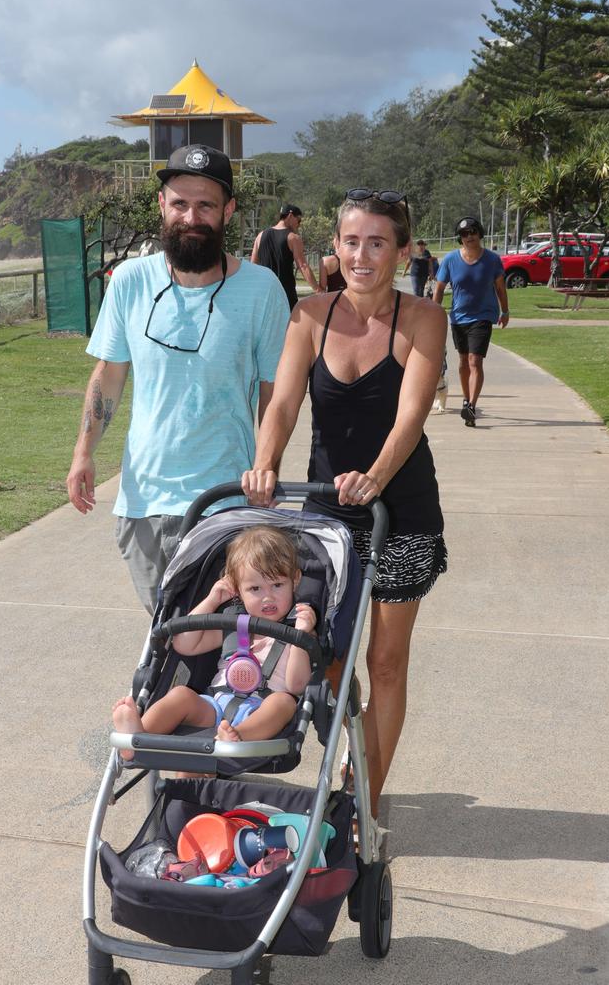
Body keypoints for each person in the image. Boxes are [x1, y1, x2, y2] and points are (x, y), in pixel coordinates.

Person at [241, 188, 448, 825]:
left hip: (400, 512)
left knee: (385, 660)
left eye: (377, 242)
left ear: (402, 251)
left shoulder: (422, 319)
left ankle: (365, 797)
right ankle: (349, 743)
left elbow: (411, 416)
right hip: (327, 513)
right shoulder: (309, 315)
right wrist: (266, 460)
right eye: (351, 241)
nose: (362, 255)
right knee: (329, 660)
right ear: (336, 247)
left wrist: (377, 477)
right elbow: (281, 404)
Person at [66, 144, 290, 613]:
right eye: (180, 203)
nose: (191, 217)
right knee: (164, 642)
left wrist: (266, 464)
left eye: (206, 205)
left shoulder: (261, 289)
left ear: (227, 210)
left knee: (227, 646)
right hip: (143, 501)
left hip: (224, 499)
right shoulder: (130, 280)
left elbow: (276, 394)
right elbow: (108, 375)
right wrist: (83, 453)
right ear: (162, 206)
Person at [111, 525, 316, 753]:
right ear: (238, 590)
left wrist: (301, 635)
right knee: (182, 695)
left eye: (277, 585)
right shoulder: (233, 625)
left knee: (284, 703)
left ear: (295, 580)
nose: (268, 597)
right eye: (255, 588)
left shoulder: (299, 628)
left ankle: (238, 737)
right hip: (216, 705)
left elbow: (297, 685)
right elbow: (183, 644)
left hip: (261, 710)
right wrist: (212, 600)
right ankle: (139, 737)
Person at [432, 216, 510, 427]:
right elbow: (439, 289)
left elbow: (500, 288)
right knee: (463, 362)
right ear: (460, 238)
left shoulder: (492, 259)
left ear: (480, 234)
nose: (469, 237)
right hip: (459, 317)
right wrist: (434, 312)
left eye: (473, 232)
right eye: (464, 234)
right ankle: (467, 399)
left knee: (475, 360)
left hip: (483, 316)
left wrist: (505, 311)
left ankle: (472, 406)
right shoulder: (450, 260)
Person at [251, 204, 320, 308]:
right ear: (290, 215)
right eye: (299, 220)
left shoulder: (260, 236)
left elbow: (253, 266)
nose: (299, 225)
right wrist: (318, 290)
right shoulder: (293, 238)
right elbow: (303, 266)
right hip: (285, 295)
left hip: (265, 295)